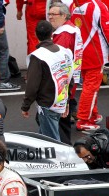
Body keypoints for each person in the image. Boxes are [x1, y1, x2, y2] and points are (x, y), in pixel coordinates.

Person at [21, 20, 73, 141]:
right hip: (60, 101)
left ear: (35, 34)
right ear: (52, 33)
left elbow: (32, 86)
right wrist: (67, 101)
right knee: (44, 139)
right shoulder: (64, 51)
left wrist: (25, 106)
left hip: (47, 105)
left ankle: (61, 160)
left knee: (52, 143)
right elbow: (69, 78)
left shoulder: (38, 56)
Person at [70, 0, 109, 131]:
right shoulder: (97, 5)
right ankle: (84, 119)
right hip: (95, 53)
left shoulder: (73, 5)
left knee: (90, 86)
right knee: (91, 87)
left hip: (81, 51)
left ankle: (92, 114)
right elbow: (107, 30)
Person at [49, 2, 83, 144]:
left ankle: (63, 152)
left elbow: (58, 61)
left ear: (64, 15)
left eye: (53, 14)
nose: (50, 17)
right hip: (71, 78)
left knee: (57, 120)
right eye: (49, 14)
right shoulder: (72, 28)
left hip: (63, 82)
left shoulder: (64, 34)